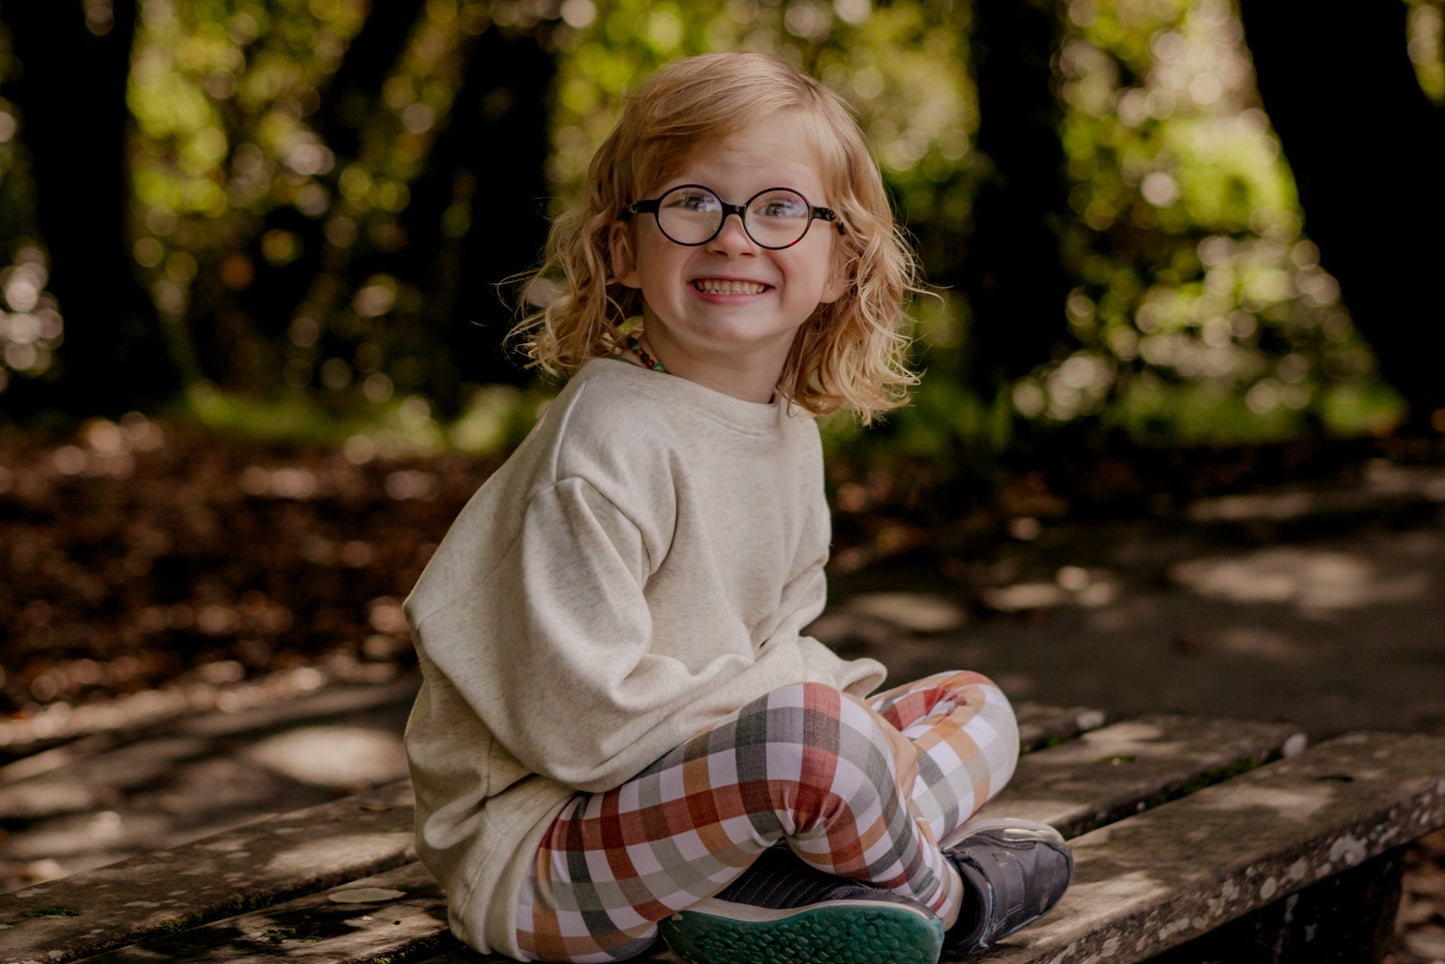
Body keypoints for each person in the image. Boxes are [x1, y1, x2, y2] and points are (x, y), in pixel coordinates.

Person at [402, 50, 1072, 964]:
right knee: (820, 739)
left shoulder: (785, 431)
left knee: (973, 706)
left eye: (780, 208)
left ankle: (782, 898)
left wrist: (849, 723)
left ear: (842, 262)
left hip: (694, 820)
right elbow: (584, 727)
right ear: (620, 250)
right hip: (541, 859)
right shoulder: (603, 442)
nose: (733, 237)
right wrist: (829, 730)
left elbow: (774, 648)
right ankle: (950, 899)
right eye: (690, 203)